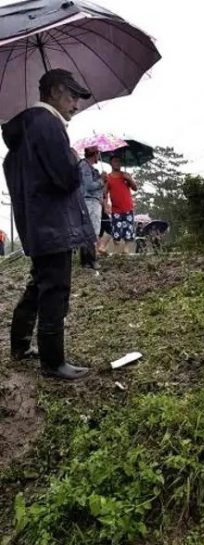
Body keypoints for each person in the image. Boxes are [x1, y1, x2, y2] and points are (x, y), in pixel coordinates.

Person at [2, 69, 95, 380]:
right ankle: (53, 362)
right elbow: (66, 178)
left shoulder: (23, 130)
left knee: (38, 284)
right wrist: (73, 156)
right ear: (54, 91)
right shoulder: (48, 124)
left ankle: (19, 345)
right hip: (54, 223)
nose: (76, 104)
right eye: (72, 95)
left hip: (36, 222)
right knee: (55, 289)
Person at [103, 155, 138, 255]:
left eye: (118, 161)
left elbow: (135, 188)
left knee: (129, 229)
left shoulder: (125, 175)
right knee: (116, 230)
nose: (117, 163)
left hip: (128, 207)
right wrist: (104, 181)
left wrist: (130, 180)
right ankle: (116, 249)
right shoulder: (108, 177)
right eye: (115, 161)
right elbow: (104, 193)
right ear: (111, 163)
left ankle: (126, 249)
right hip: (116, 209)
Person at [77, 146, 104, 272]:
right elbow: (89, 186)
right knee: (92, 231)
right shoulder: (85, 166)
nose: (99, 156)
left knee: (89, 230)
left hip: (91, 201)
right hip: (89, 201)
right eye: (98, 153)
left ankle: (86, 261)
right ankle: (91, 260)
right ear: (95, 154)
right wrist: (101, 181)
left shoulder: (88, 167)